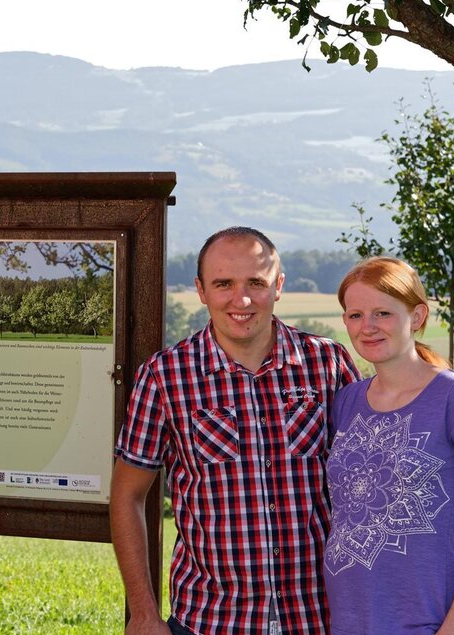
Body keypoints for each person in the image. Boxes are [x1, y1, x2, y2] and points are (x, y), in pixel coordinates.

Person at [110, 226, 361, 635]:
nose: (241, 300)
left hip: (322, 618)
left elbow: (369, 487)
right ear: (201, 290)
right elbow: (127, 494)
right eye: (223, 283)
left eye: (256, 283)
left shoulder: (327, 364)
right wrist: (142, 613)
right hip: (210, 620)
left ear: (278, 286)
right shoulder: (165, 376)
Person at [325, 256, 454, 634]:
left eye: (383, 313)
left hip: (429, 625)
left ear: (418, 316)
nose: (368, 327)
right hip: (349, 624)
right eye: (355, 315)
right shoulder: (346, 403)